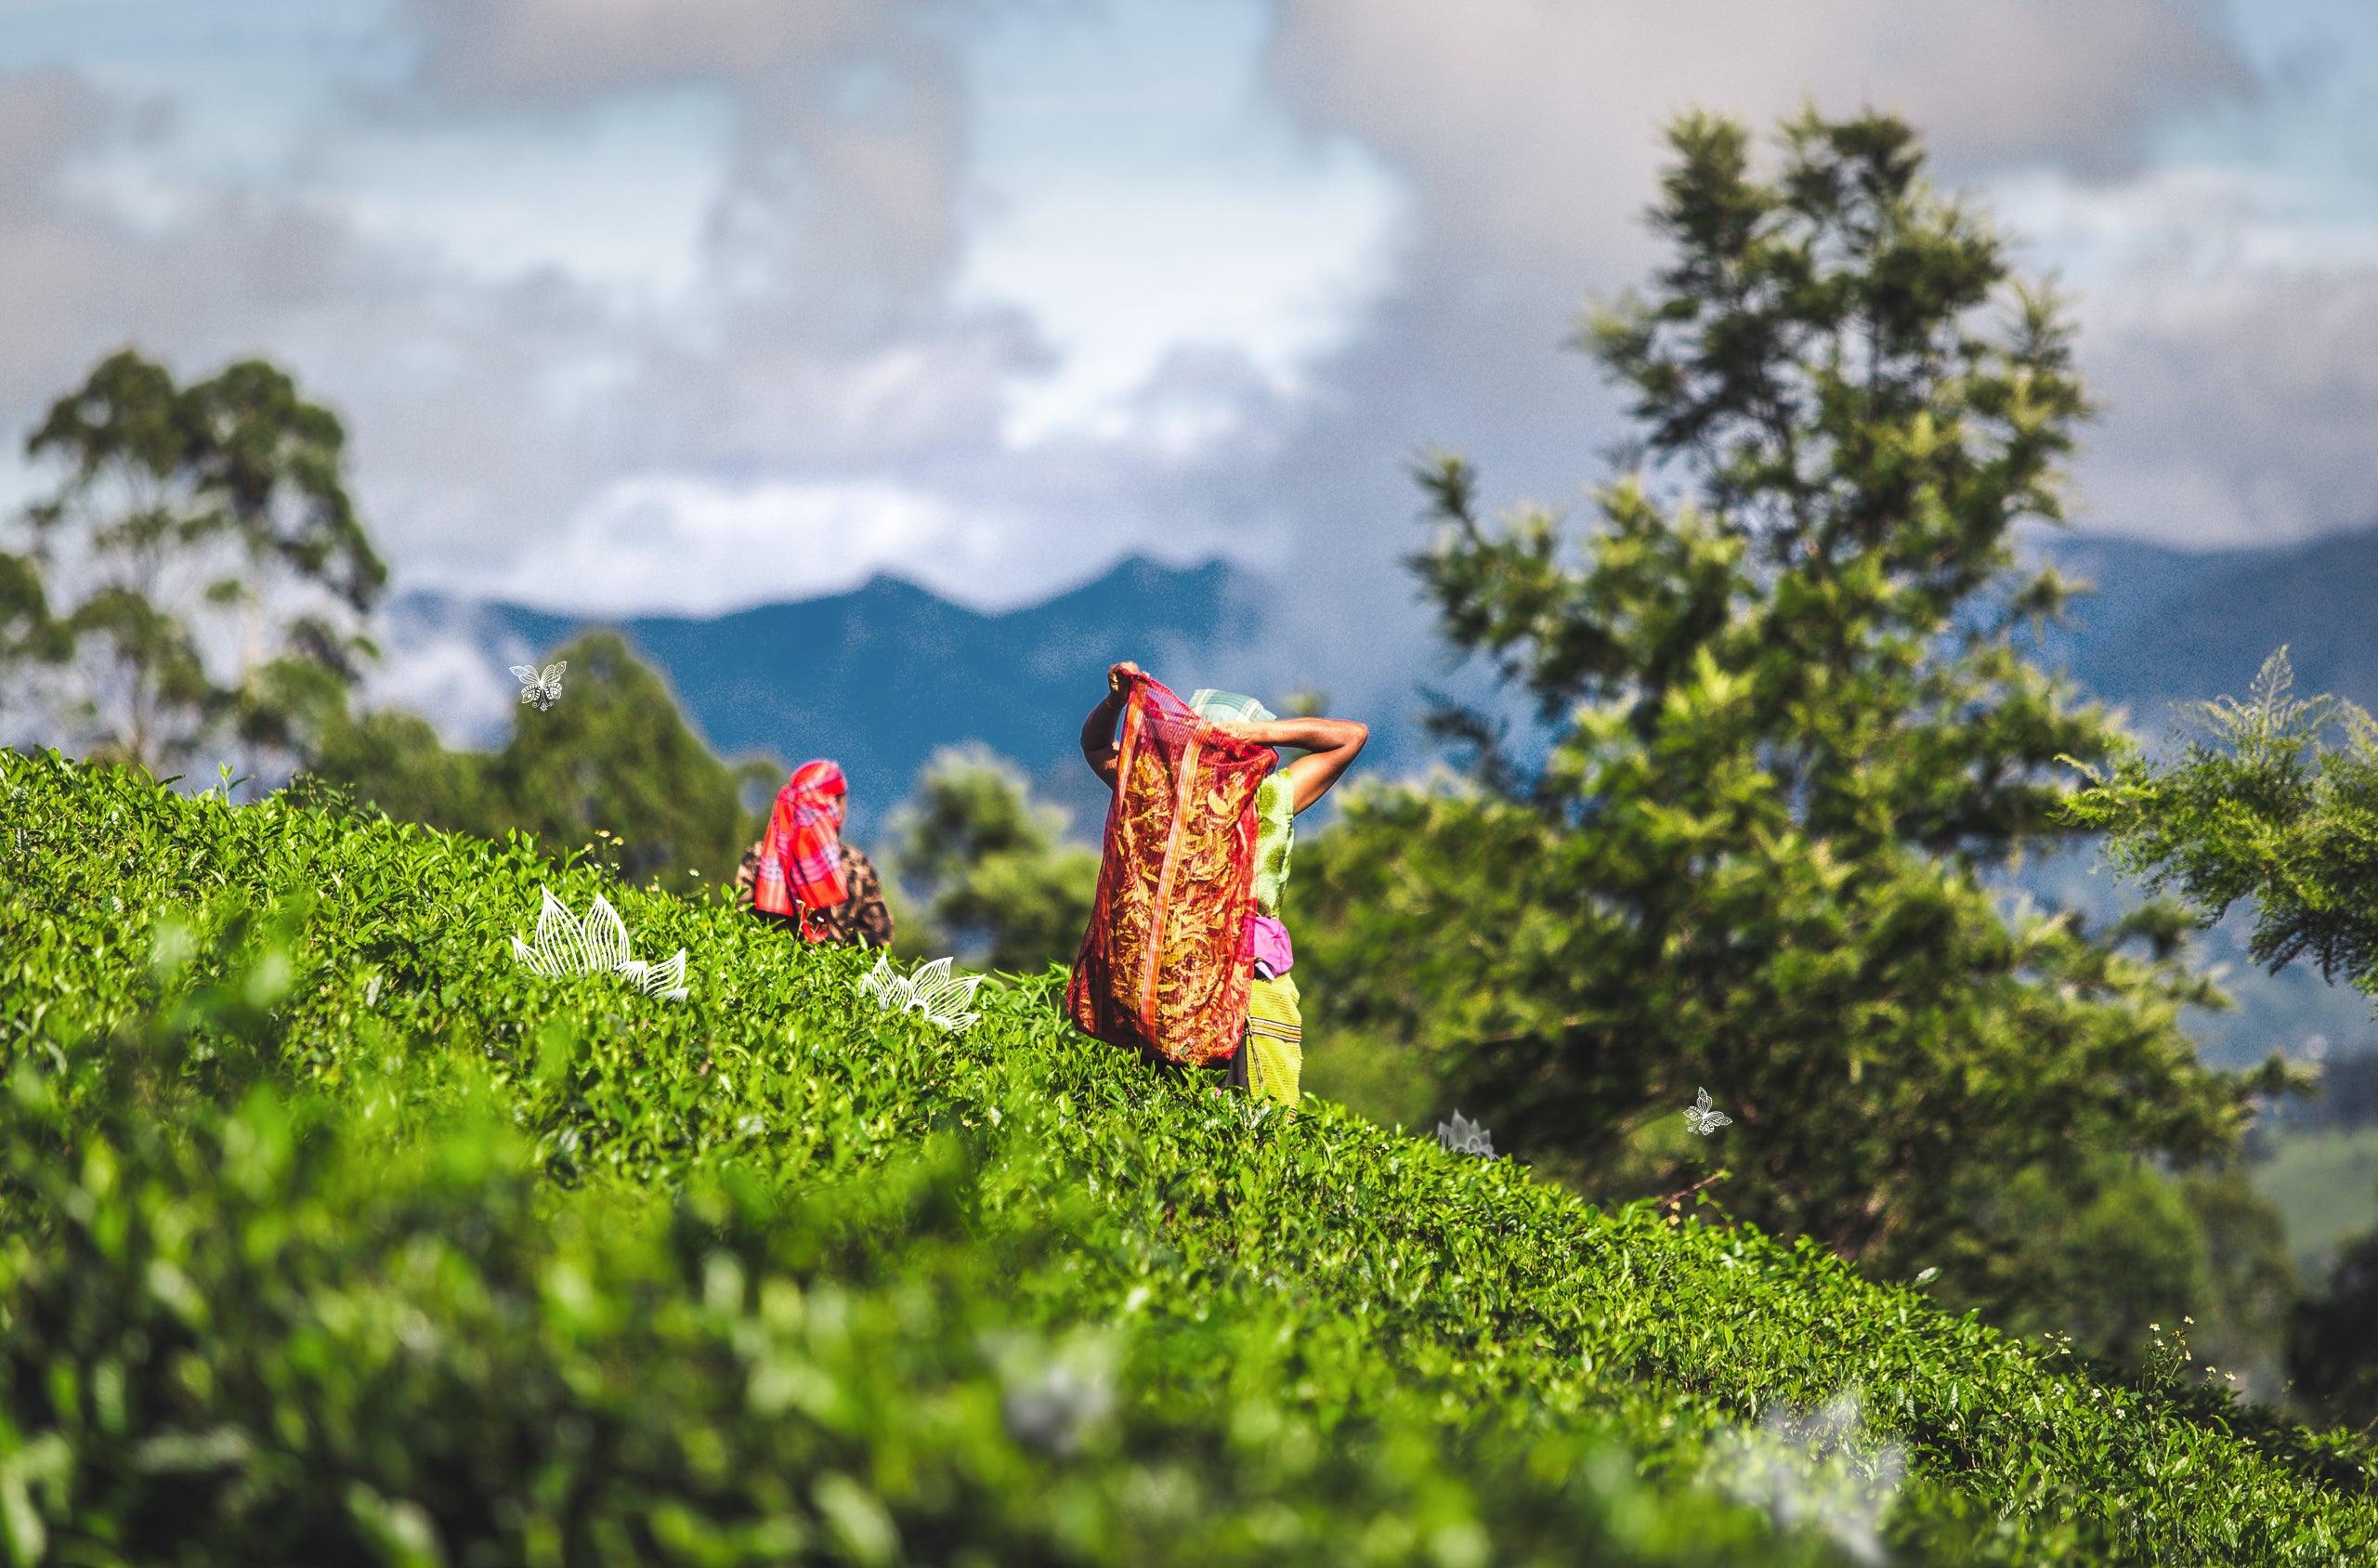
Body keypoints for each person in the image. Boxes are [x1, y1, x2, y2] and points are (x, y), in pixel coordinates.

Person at [1078, 661, 1366, 1102]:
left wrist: (1257, 732)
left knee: (1223, 1116)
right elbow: (1350, 737)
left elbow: (1353, 734)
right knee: (1222, 1116)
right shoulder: (1163, 794)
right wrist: (1115, 701)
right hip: (1189, 987)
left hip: (1233, 986)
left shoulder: (1261, 798)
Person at [735, 759, 895, 948]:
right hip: (831, 967)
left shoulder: (760, 858)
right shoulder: (856, 866)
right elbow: (880, 938)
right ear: (837, 803)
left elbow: (738, 923)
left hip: (766, 965)